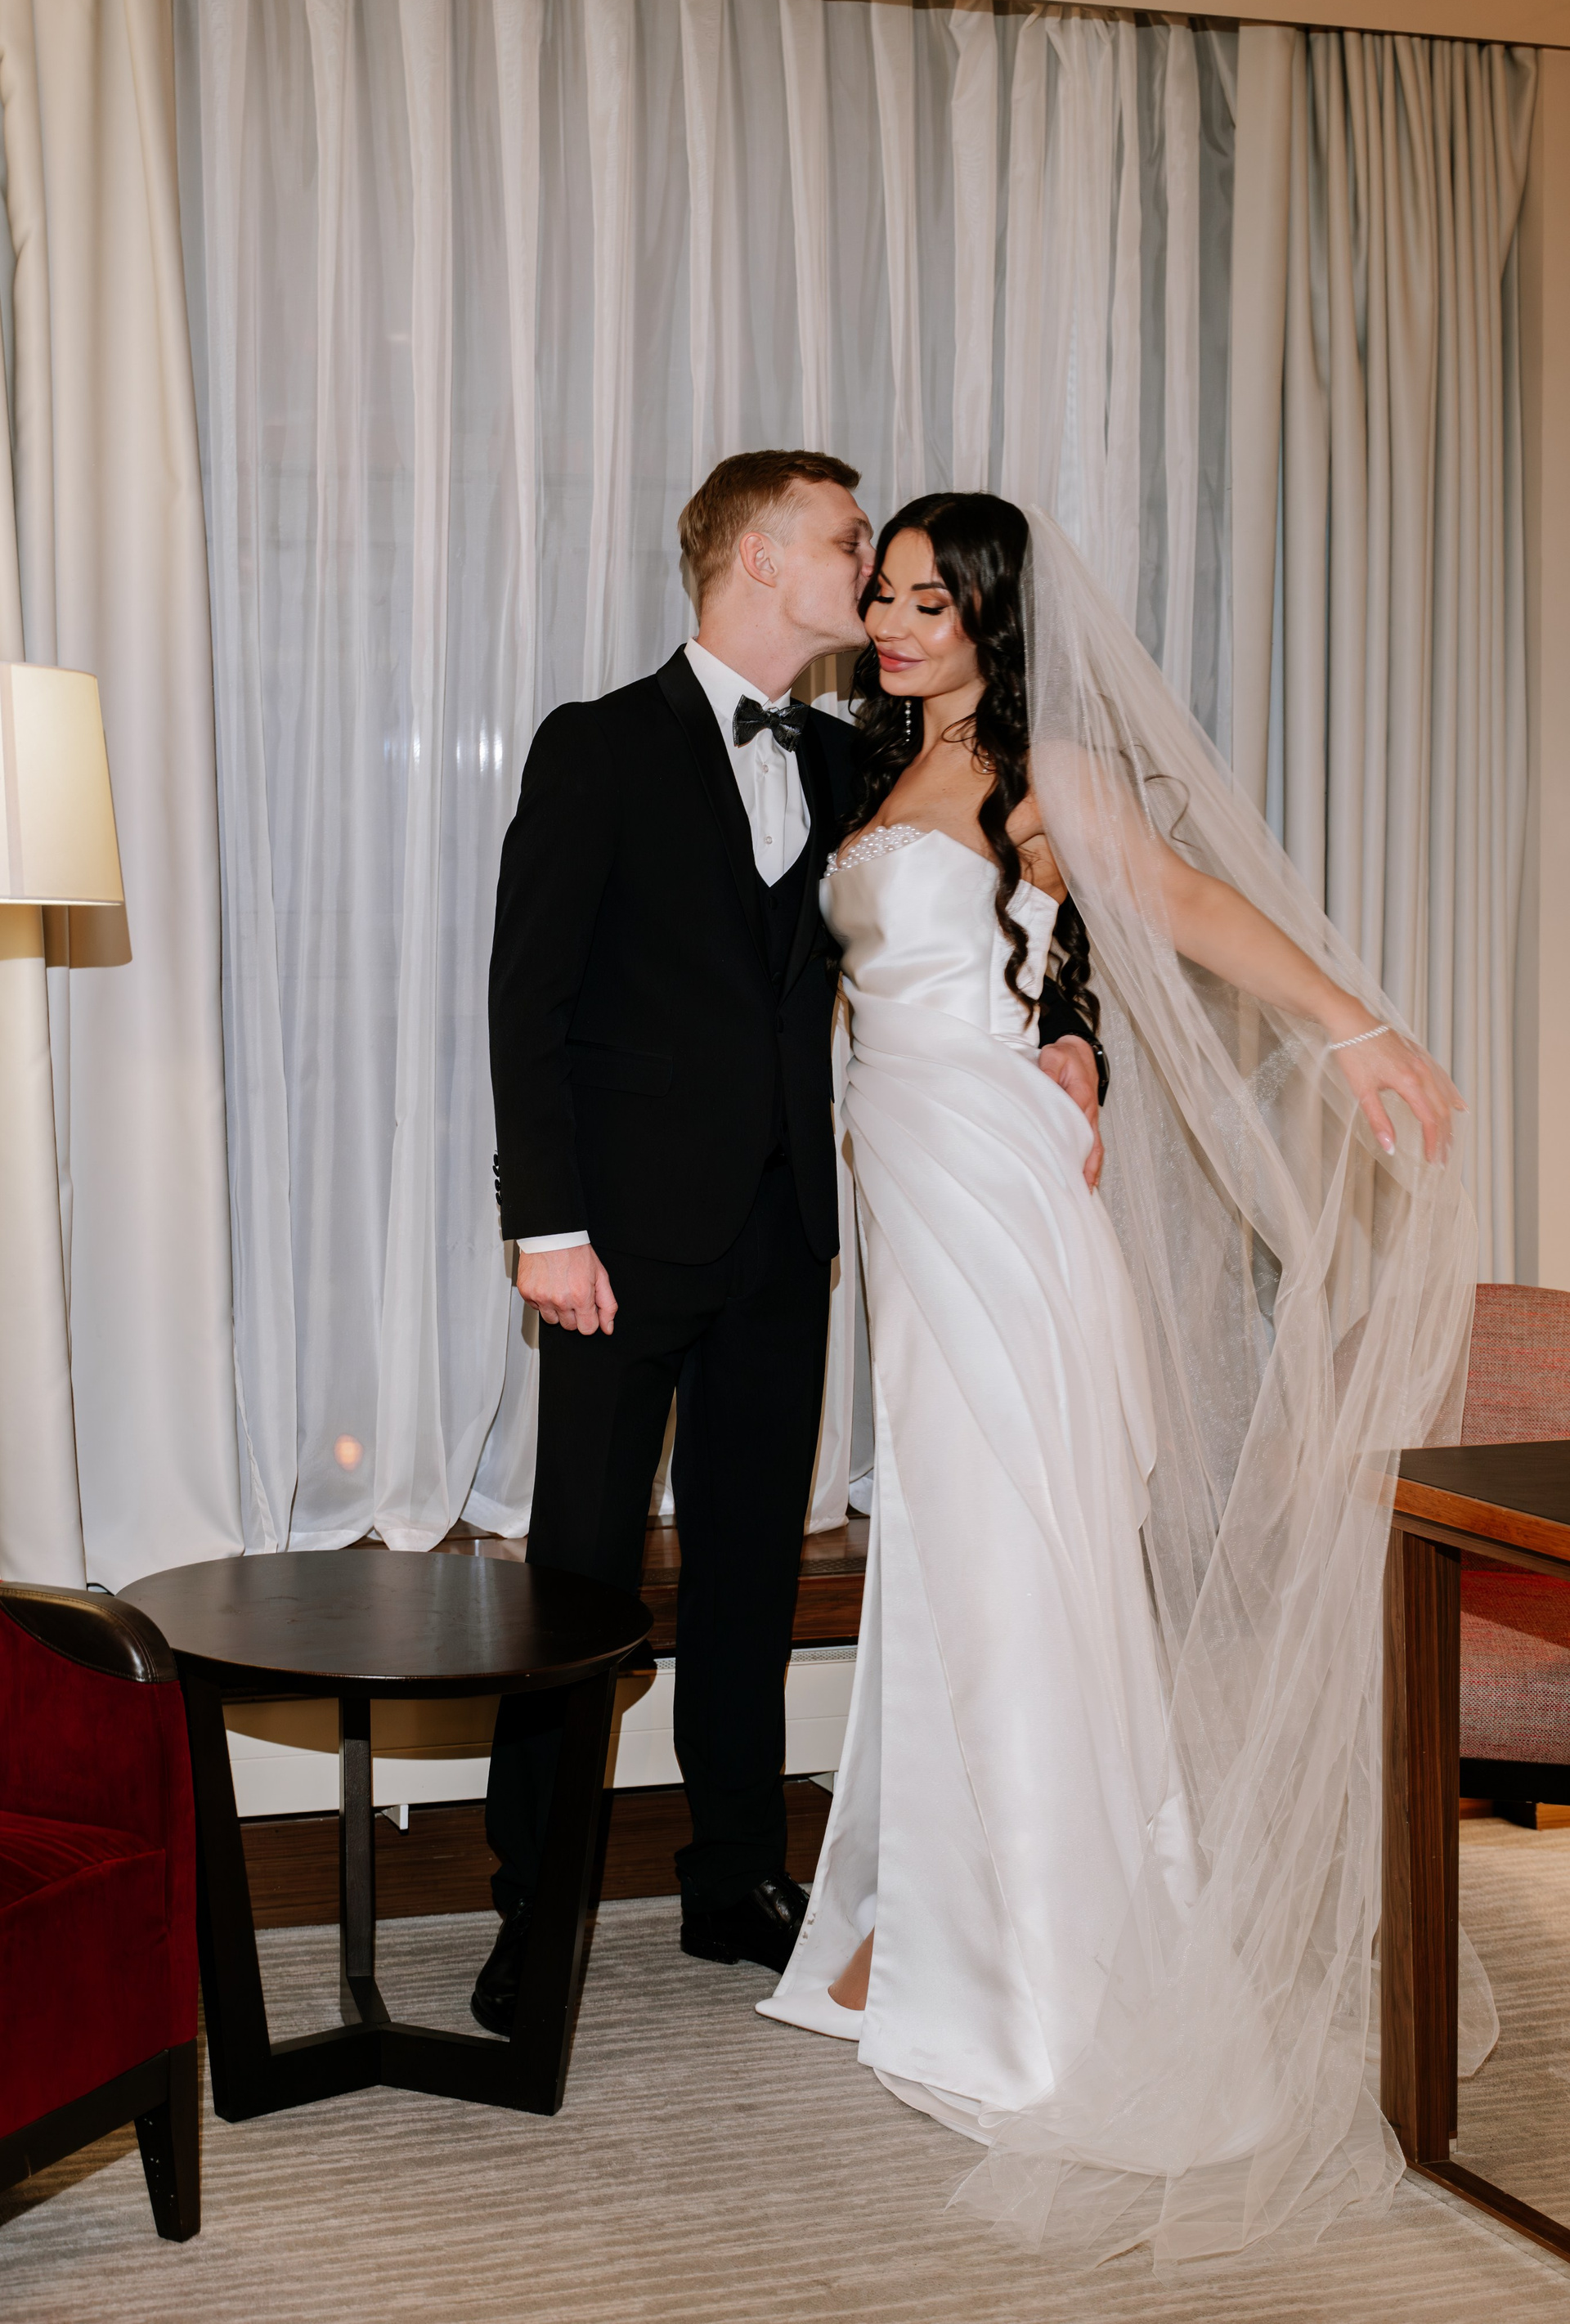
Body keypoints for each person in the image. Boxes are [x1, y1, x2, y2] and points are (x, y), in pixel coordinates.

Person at [760, 493, 1475, 2263]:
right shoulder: (881, 769)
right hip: (917, 1209)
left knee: (1013, 1567)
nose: (894, 623)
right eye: (885, 593)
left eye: (931, 602)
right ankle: (937, 1921)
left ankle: (1046, 1975)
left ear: (996, 620)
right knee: (952, 1565)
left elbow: (1184, 905)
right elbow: (961, 974)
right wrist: (1064, 1026)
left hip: (1000, 1214)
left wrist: (1356, 1025)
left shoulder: (1044, 773)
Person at [477, 455, 1104, 2035]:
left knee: (751, 1570)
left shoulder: (853, 759)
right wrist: (545, 1228)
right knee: (578, 1579)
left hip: (784, 1237)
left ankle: (738, 1876)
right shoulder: (597, 743)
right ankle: (531, 1900)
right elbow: (525, 1001)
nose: (871, 578)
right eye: (847, 544)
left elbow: (1029, 898)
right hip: (613, 1249)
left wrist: (1076, 1035)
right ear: (761, 558)